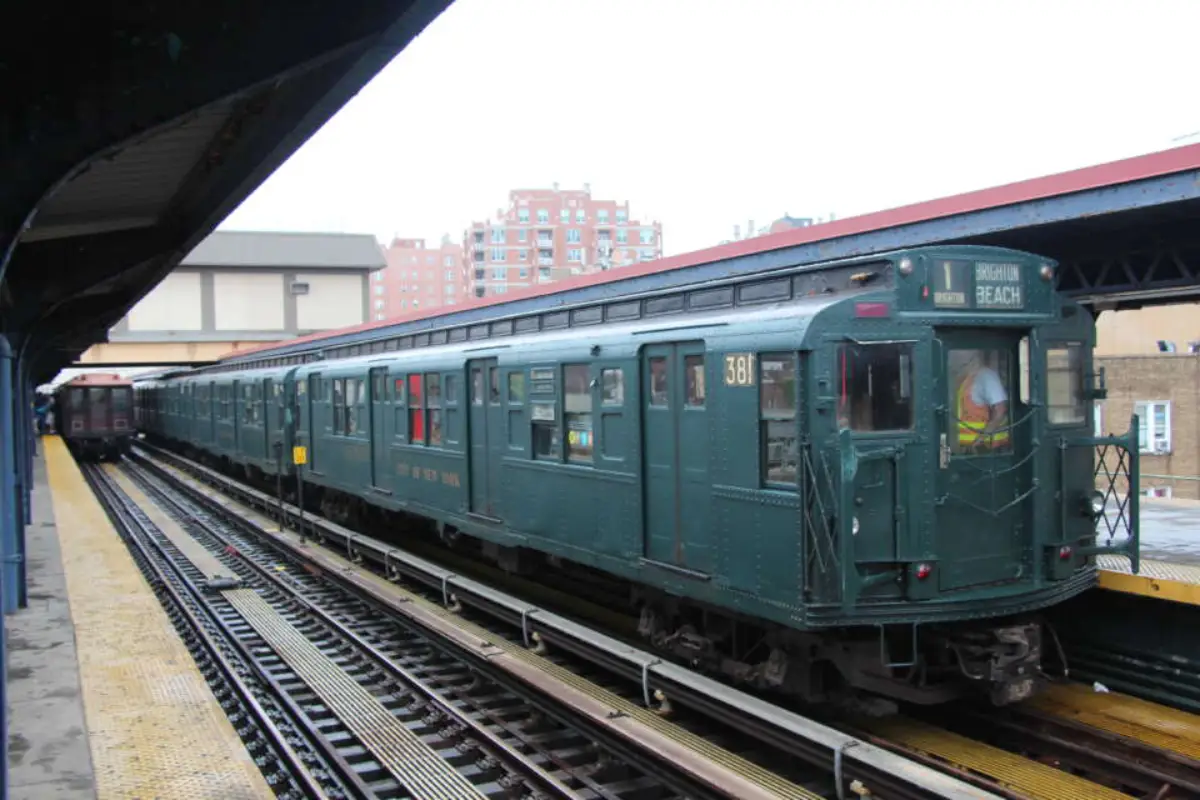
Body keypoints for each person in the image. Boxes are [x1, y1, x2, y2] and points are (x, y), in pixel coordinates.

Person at [956, 350, 1009, 452]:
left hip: (987, 448)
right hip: (970, 448)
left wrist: (979, 440)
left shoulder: (987, 377)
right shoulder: (968, 379)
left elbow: (1000, 412)